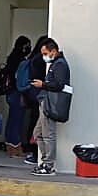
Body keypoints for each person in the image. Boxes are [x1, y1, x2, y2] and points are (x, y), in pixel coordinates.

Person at [29, 38, 70, 176]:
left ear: (54, 51)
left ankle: (48, 165)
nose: (44, 56)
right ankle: (45, 161)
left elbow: (59, 84)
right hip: (45, 102)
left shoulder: (60, 65)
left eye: (45, 53)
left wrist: (43, 85)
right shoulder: (55, 63)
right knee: (38, 134)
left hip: (50, 104)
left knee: (48, 135)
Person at [0, 35, 32, 157]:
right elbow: (20, 80)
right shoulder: (22, 61)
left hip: (10, 93)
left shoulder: (12, 59)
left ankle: (9, 146)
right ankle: (16, 148)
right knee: (17, 121)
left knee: (12, 120)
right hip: (17, 93)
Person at [21, 36, 53, 165]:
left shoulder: (33, 59)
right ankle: (36, 154)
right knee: (39, 127)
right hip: (39, 96)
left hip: (33, 94)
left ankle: (33, 152)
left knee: (34, 125)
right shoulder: (39, 60)